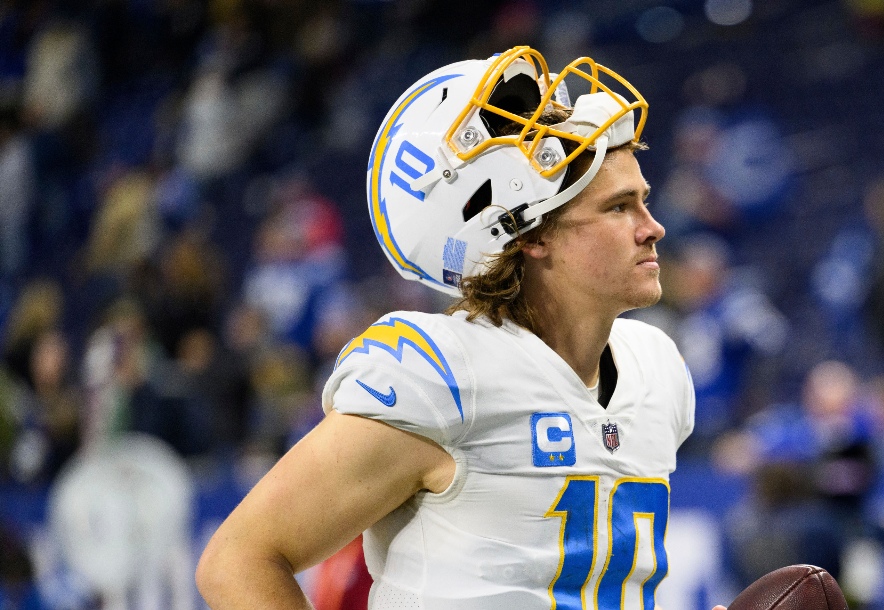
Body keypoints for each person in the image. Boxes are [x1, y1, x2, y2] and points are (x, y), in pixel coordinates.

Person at [197, 46, 719, 610]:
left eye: (643, 201)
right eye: (618, 207)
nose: (653, 227)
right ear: (531, 236)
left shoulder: (656, 368)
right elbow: (238, 560)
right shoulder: (441, 376)